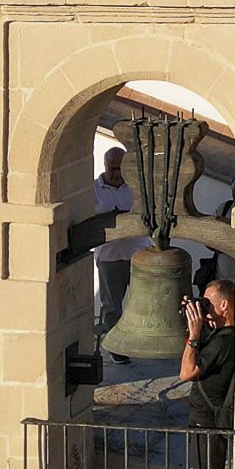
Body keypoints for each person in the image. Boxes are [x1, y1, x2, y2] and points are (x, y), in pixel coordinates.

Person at [178, 278, 235, 469]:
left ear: (224, 305)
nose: (204, 308)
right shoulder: (222, 336)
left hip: (207, 424)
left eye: (209, 302)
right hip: (207, 423)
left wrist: (193, 335)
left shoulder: (223, 341)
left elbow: (186, 372)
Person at [90, 144, 137, 342]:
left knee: (141, 305)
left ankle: (136, 342)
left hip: (137, 255)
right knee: (111, 306)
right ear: (105, 166)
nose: (117, 173)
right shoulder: (93, 190)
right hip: (109, 257)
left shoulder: (137, 186)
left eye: (121, 169)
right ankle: (114, 344)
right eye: (112, 168)